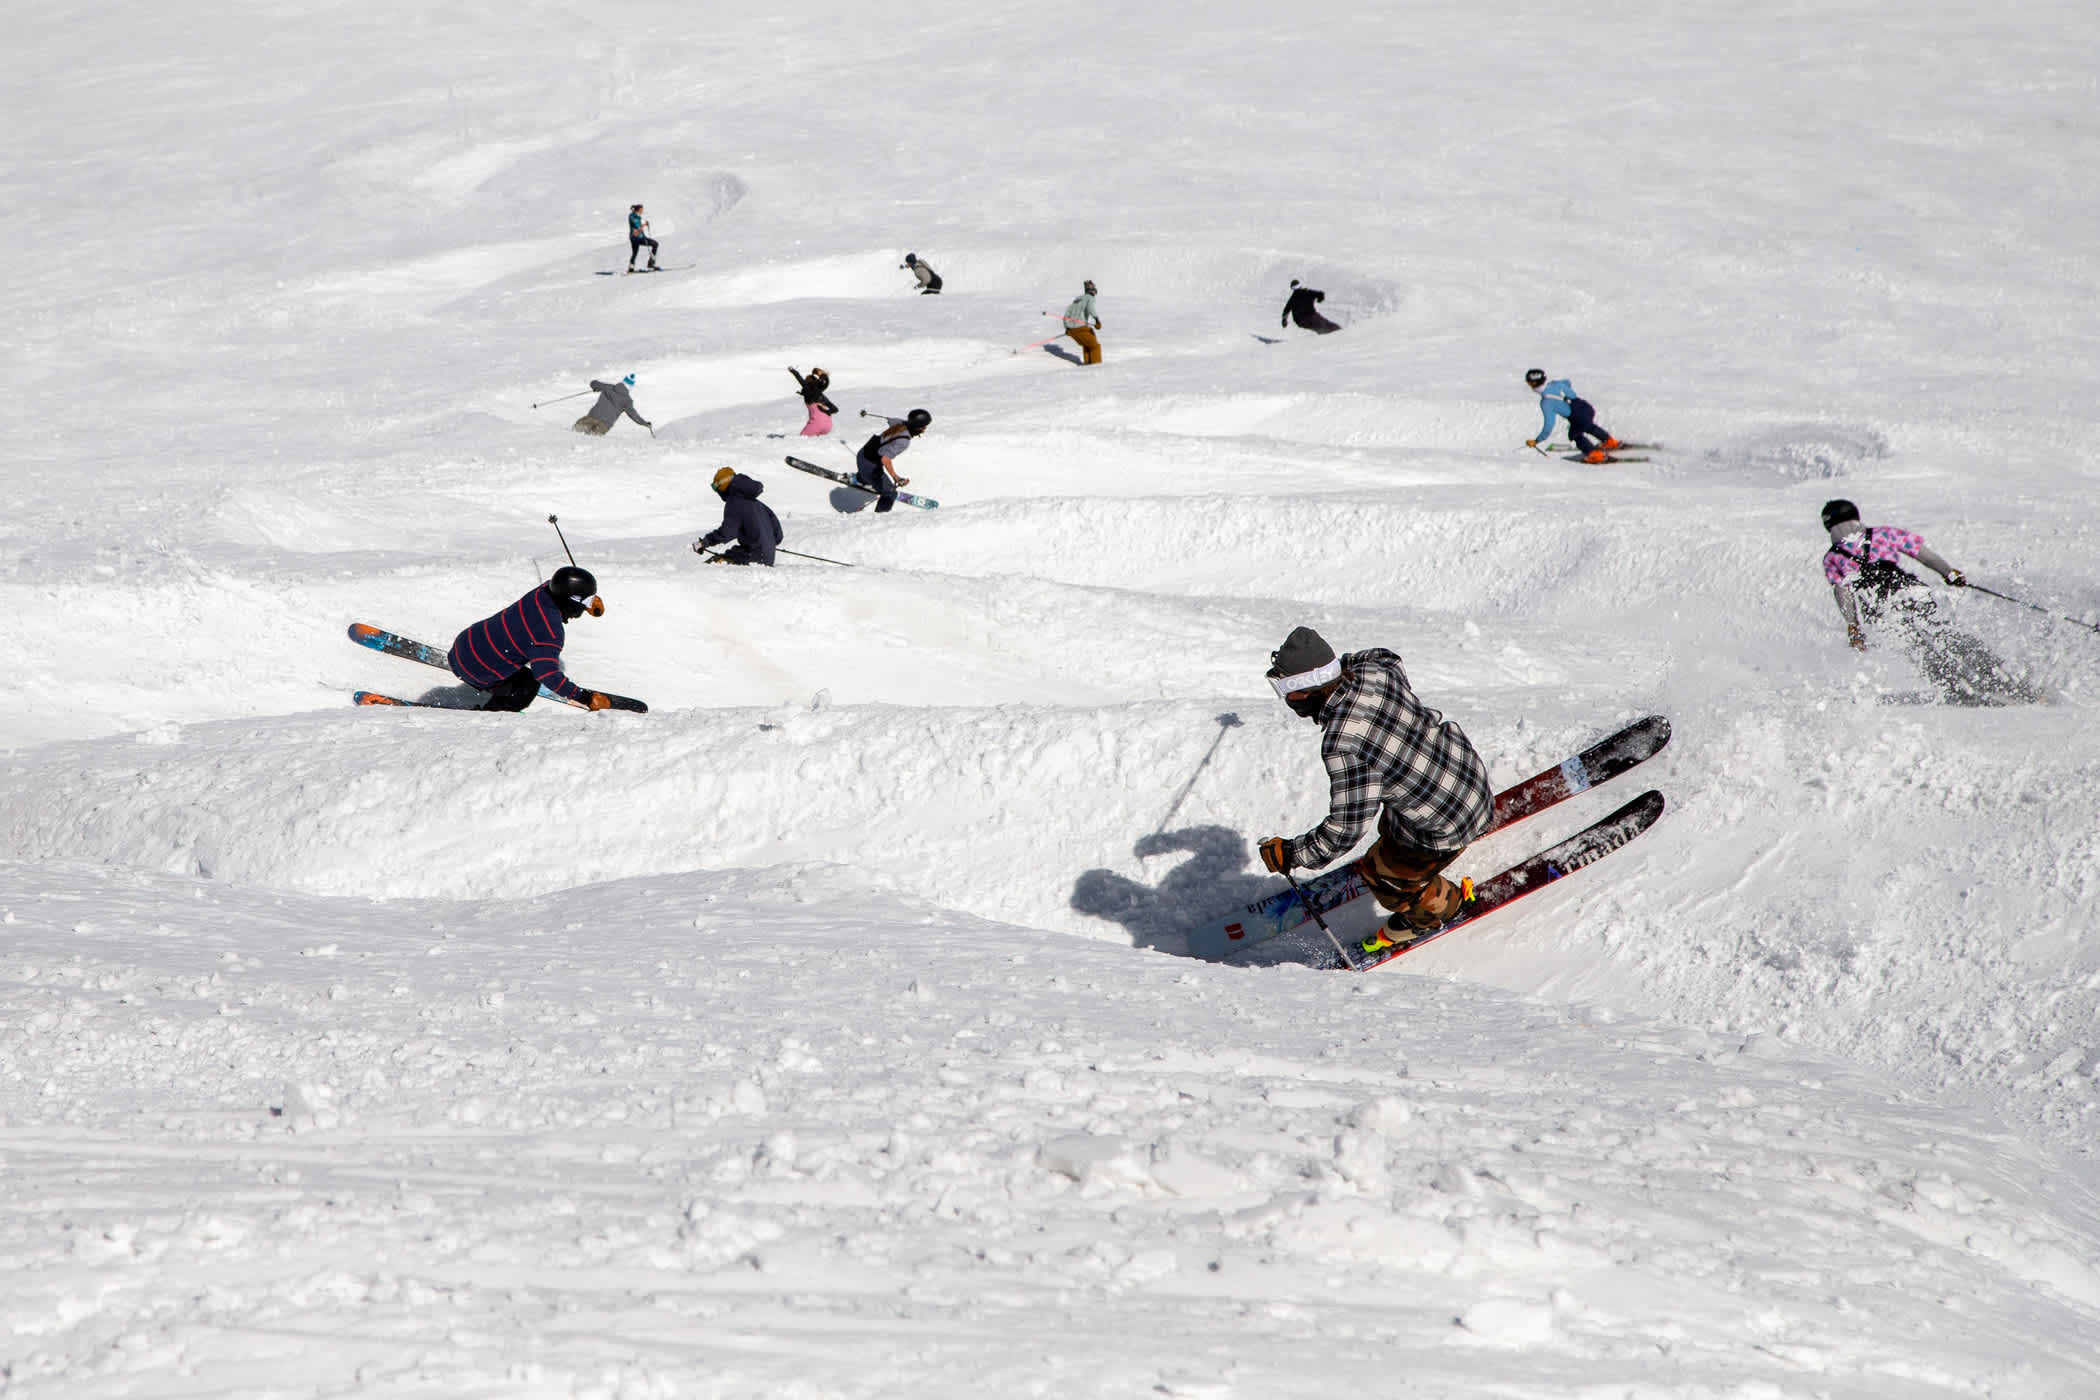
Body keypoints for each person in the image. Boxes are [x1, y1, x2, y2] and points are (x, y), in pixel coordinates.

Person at [1255, 625, 1495, 955]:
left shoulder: (1343, 743)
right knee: (1388, 805)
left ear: (1307, 690)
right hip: (1471, 778)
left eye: (1287, 690)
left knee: (1382, 878)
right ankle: (1401, 851)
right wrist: (1339, 667)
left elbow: (1344, 831)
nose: (1287, 699)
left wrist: (1293, 854)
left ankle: (1436, 909)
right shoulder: (1374, 671)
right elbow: (1386, 655)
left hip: (1445, 826)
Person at [1819, 499, 2033, 705]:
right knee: (1944, 635)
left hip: (1881, 608)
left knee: (1918, 649)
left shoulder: (1832, 557)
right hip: (1910, 592)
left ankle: (1957, 690)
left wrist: (1853, 625)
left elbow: (1842, 591)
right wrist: (1949, 573)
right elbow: (1924, 555)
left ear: (1828, 525)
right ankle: (2003, 679)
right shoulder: (1883, 534)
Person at [448, 567, 615, 712]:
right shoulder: (549, 631)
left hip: (464, 644)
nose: (588, 604)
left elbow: (561, 584)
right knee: (528, 686)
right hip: (475, 669)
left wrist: (588, 602)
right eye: (586, 600)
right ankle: (493, 715)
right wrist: (584, 697)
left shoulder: (542, 592)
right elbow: (547, 674)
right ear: (571, 602)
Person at [1524, 368, 1621, 463]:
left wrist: (1537, 440)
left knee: (1575, 434)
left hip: (1576, 416)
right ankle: (1610, 442)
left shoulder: (1546, 403)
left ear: (1533, 383)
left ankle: (1595, 455)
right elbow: (1567, 382)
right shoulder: (1555, 384)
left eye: (1528, 382)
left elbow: (1549, 425)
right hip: (1586, 407)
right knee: (1588, 426)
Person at [694, 467, 784, 566]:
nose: (717, 492)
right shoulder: (759, 504)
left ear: (723, 485)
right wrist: (765, 544)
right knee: (728, 555)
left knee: (712, 564)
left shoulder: (735, 502)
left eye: (716, 487)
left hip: (754, 557)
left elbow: (727, 532)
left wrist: (704, 542)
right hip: (766, 557)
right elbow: (778, 536)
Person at [854, 409, 931, 513]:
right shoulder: (904, 441)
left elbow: (890, 420)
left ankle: (861, 479)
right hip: (869, 464)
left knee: (873, 473)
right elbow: (885, 459)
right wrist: (896, 478)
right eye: (923, 427)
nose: (924, 430)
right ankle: (879, 518)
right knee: (890, 493)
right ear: (916, 427)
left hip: (863, 454)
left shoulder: (900, 423)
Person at [573, 374, 652, 435]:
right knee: (592, 439)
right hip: (604, 425)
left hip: (592, 417)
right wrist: (645, 423)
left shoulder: (608, 387)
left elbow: (594, 383)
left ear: (623, 382)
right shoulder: (627, 401)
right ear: (630, 387)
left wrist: (596, 387)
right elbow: (634, 416)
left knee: (575, 433)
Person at [1062, 280, 1103, 365]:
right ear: (1092, 290)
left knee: (1088, 342)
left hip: (1072, 330)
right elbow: (1090, 308)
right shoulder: (1090, 298)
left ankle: (1087, 363)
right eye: (1094, 289)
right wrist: (1097, 319)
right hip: (1080, 328)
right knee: (1095, 346)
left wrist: (1067, 328)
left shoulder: (1077, 300)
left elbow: (1066, 315)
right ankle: (1096, 366)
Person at [788, 366, 838, 436]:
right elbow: (835, 409)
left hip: (816, 424)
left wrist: (794, 371)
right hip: (828, 426)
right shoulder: (821, 396)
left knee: (802, 439)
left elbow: (800, 380)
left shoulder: (808, 391)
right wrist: (825, 411)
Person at [627, 205, 658, 273]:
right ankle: (650, 264)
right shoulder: (633, 216)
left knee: (635, 252)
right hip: (637, 237)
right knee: (655, 244)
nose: (642, 211)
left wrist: (644, 224)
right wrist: (644, 225)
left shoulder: (635, 216)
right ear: (637, 210)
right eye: (641, 210)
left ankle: (631, 267)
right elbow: (637, 227)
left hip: (635, 237)